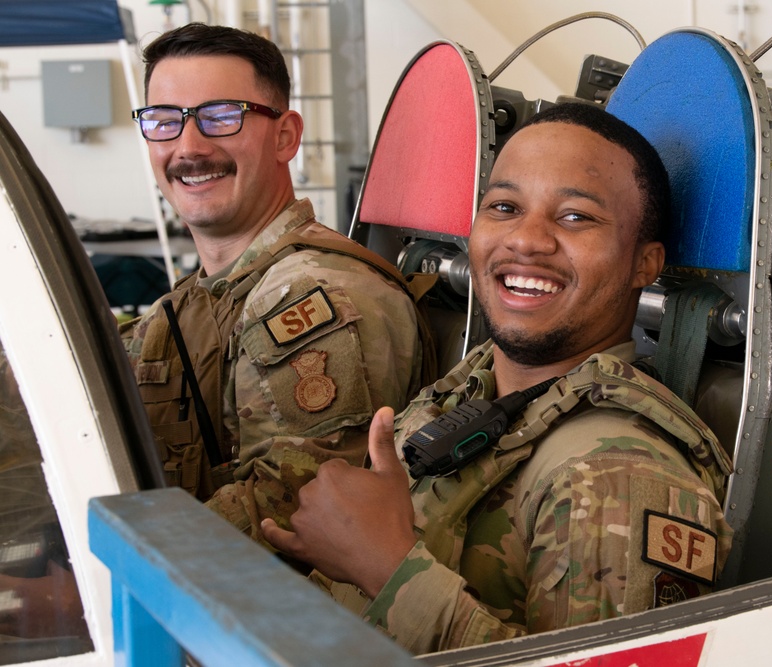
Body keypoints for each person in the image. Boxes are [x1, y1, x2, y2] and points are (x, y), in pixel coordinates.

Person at [263, 103, 734, 653]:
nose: (527, 239)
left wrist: (389, 568)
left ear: (644, 264)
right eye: (504, 207)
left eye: (575, 217)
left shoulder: (616, 473)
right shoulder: (469, 390)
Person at [119, 23, 427, 540]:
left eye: (221, 117)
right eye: (164, 121)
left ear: (285, 136)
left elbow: (289, 509)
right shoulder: (204, 297)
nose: (188, 146)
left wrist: (99, 561)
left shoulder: (317, 294)